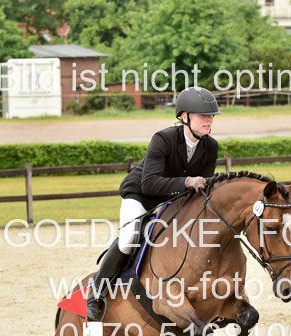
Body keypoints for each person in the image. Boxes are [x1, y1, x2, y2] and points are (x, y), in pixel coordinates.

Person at [85, 86, 221, 322]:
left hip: (173, 201)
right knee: (129, 238)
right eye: (203, 115)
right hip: (141, 196)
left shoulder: (211, 146)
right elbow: (149, 183)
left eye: (211, 116)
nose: (209, 120)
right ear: (185, 117)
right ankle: (95, 294)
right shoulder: (163, 139)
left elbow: (204, 186)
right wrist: (187, 181)